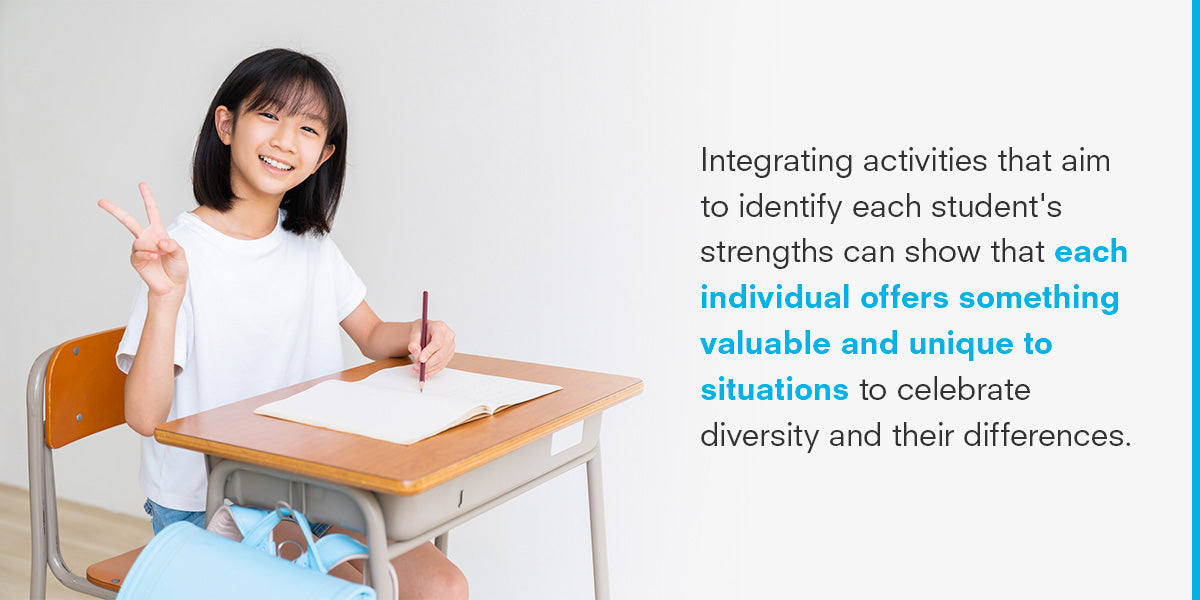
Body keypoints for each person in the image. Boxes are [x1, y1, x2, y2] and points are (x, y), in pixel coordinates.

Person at [99, 48, 468, 599]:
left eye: (307, 128)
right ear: (226, 125)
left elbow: (370, 335)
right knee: (354, 592)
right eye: (268, 115)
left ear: (322, 156)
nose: (284, 140)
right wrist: (165, 298)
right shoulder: (181, 254)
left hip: (309, 490)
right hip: (207, 506)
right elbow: (145, 416)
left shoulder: (311, 246)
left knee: (442, 586)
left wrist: (422, 334)